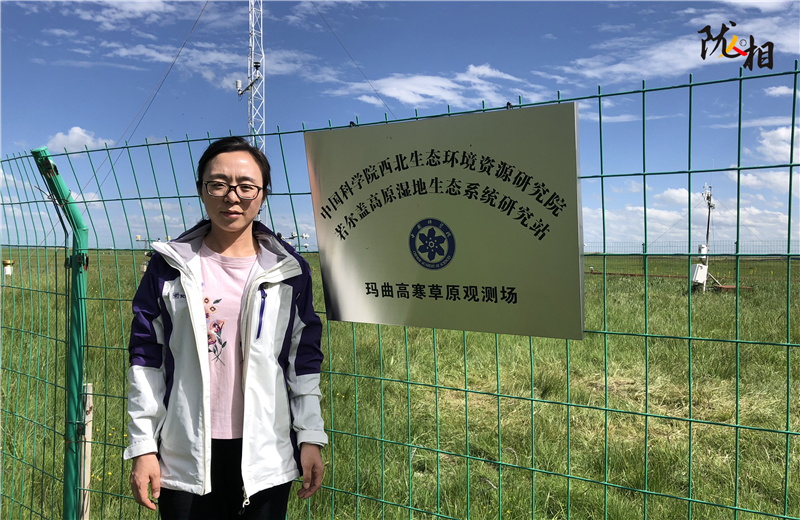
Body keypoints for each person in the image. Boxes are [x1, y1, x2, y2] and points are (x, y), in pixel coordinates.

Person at [123, 136, 326, 520]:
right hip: (184, 452)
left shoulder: (289, 272)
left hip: (265, 452)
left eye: (246, 186)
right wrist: (143, 446)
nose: (232, 196)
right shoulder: (169, 267)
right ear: (201, 189)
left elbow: (303, 361)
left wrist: (310, 436)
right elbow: (147, 359)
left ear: (263, 194)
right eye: (218, 184)